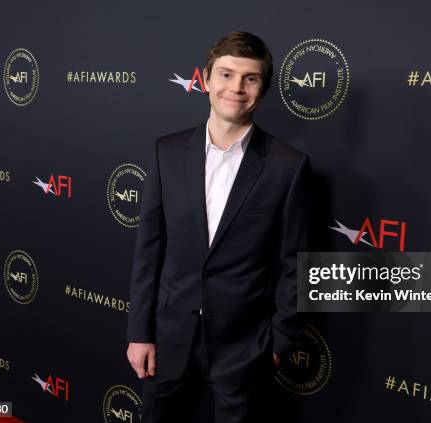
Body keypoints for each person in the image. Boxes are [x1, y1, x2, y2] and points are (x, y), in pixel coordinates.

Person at [126, 31, 310, 423]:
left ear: (263, 88)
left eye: (251, 78)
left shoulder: (288, 165)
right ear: (205, 79)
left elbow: (296, 261)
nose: (236, 88)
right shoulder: (167, 152)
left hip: (245, 348)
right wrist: (140, 332)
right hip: (169, 340)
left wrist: (280, 341)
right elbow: (149, 248)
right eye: (226, 75)